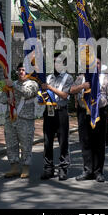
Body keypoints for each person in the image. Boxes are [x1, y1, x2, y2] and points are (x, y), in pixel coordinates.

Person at [70, 58, 108, 182]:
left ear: (100, 65)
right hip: (84, 112)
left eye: (97, 63)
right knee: (85, 142)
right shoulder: (81, 77)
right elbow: (72, 90)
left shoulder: (105, 78)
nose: (95, 65)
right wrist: (82, 86)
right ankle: (87, 170)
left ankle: (98, 171)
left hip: (99, 112)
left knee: (99, 143)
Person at [1, 62, 39, 179]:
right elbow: (2, 98)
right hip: (11, 118)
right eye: (19, 70)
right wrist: (7, 99)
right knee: (11, 143)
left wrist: (13, 86)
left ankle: (26, 168)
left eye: (24, 70)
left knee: (26, 144)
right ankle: (14, 167)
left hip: (25, 119)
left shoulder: (32, 83)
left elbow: (27, 93)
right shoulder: (12, 84)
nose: (21, 72)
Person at [40, 53, 74, 181]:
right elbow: (43, 93)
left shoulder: (68, 78)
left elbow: (64, 95)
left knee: (63, 141)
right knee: (48, 141)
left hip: (61, 112)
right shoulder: (48, 78)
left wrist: (48, 88)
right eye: (54, 62)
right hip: (49, 112)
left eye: (58, 62)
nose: (56, 65)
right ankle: (48, 168)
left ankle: (63, 168)